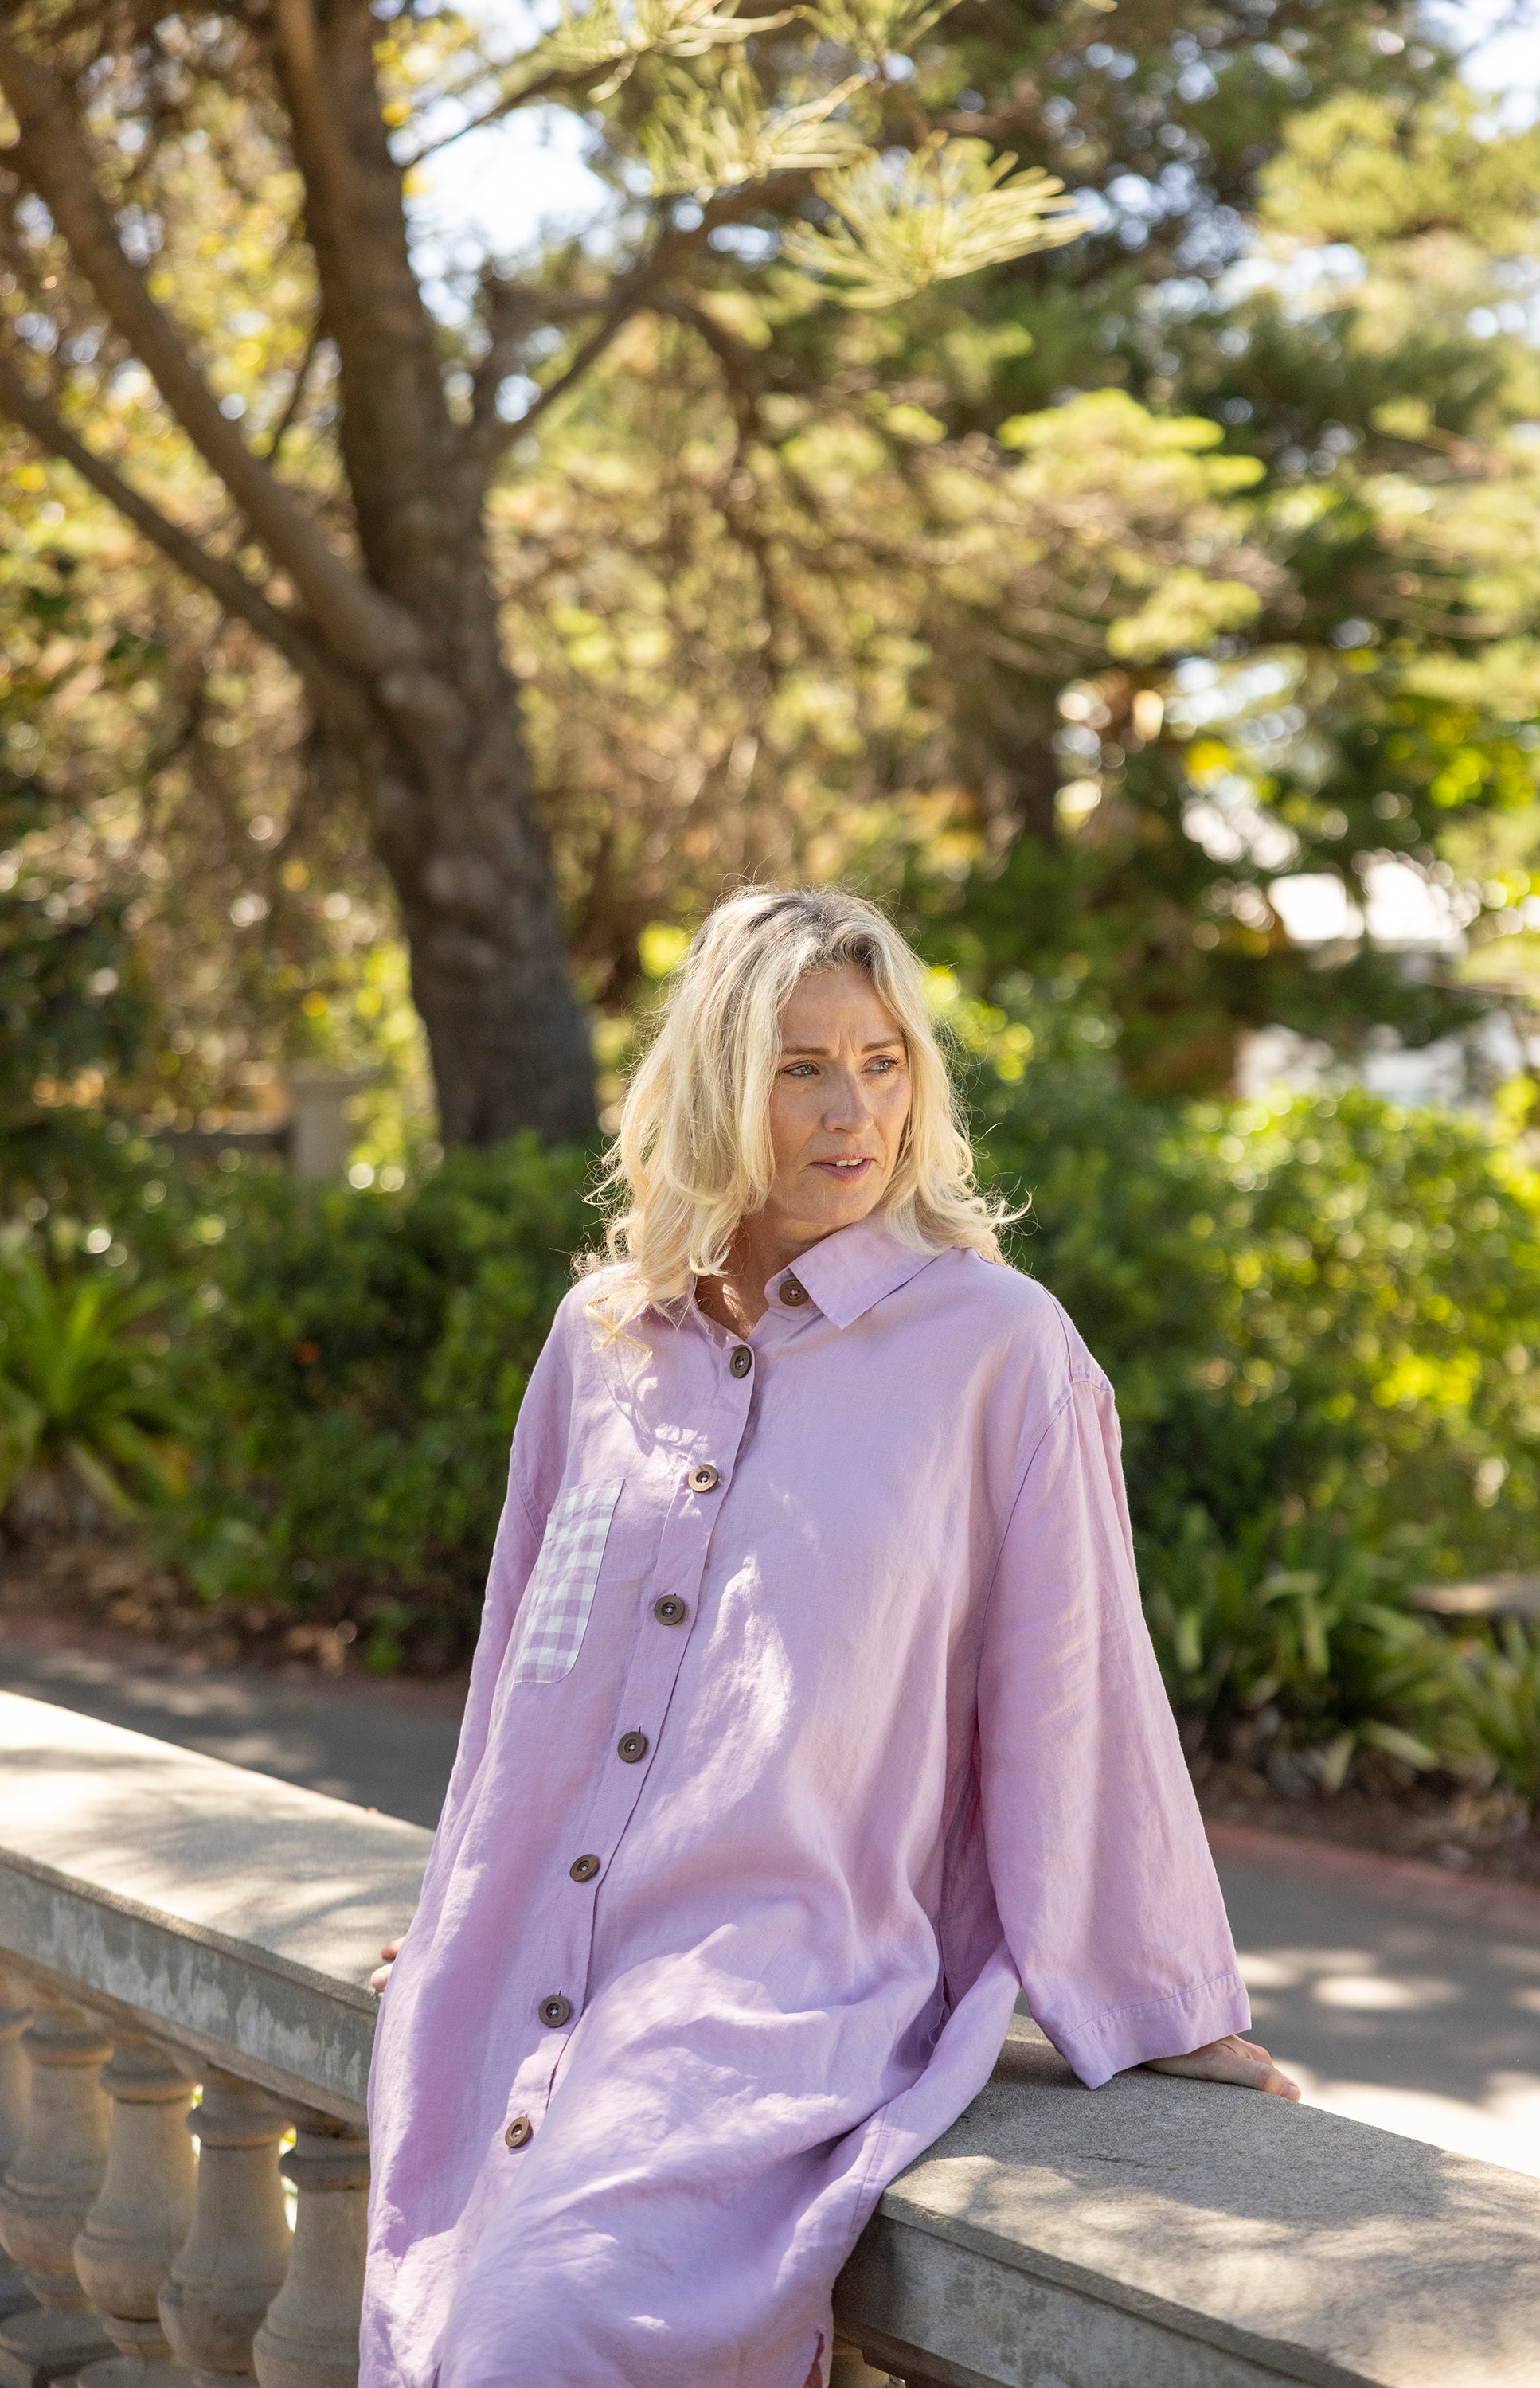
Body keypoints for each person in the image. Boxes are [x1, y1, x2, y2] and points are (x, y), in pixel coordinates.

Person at [361, 886, 1297, 2388]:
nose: (852, 1108)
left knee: (525, 2336)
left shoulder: (999, 1351)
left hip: (767, 1994)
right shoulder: (599, 1339)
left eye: (883, 1061)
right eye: (802, 1066)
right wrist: (474, 1891)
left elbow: (1080, 1697)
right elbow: (519, 1667)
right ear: (718, 1084)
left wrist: (1161, 2002)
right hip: (528, 1964)